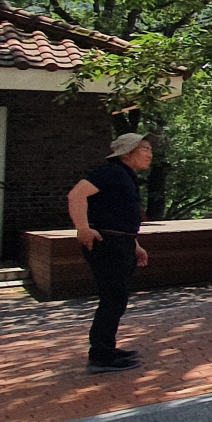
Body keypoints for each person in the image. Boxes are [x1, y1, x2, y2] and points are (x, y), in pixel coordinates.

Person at [67, 133, 153, 374]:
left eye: (150, 149)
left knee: (116, 298)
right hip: (108, 245)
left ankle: (106, 349)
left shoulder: (125, 176)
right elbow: (76, 195)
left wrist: (134, 245)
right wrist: (83, 228)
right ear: (127, 153)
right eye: (144, 149)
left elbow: (119, 216)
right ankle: (101, 356)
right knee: (113, 298)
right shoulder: (111, 172)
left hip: (121, 243)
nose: (150, 154)